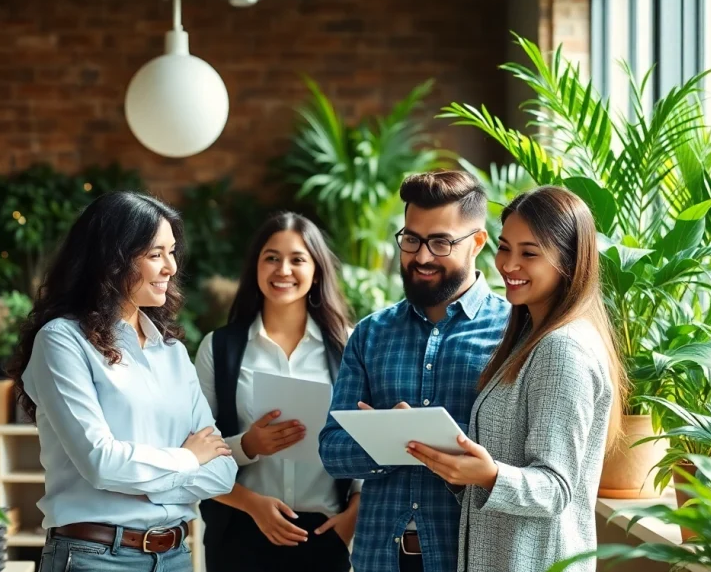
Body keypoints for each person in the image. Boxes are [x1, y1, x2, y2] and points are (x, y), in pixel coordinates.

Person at [8, 191, 238, 572]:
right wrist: (186, 458)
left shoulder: (172, 352)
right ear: (111, 261)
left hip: (176, 556)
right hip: (94, 558)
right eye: (154, 255)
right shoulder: (61, 340)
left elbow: (223, 472)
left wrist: (136, 474)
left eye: (172, 252)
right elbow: (100, 462)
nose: (170, 268)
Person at [406, 187, 627, 572]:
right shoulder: (529, 338)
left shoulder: (563, 349)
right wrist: (459, 467)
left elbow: (556, 489)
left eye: (529, 253)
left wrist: (489, 474)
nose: (508, 264)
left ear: (569, 263)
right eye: (505, 248)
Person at [319, 170, 512, 572]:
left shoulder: (513, 333)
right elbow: (332, 451)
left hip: (467, 559)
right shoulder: (371, 334)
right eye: (411, 239)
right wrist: (395, 438)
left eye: (440, 241)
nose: (421, 256)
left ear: (477, 242)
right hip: (380, 557)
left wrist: (406, 439)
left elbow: (517, 456)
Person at [195, 212, 361, 572]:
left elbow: (365, 435)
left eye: (297, 259)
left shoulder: (349, 346)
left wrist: (354, 514)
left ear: (316, 269)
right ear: (255, 266)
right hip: (240, 529)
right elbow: (194, 453)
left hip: (325, 533)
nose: (283, 270)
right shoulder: (219, 348)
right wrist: (249, 448)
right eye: (271, 257)